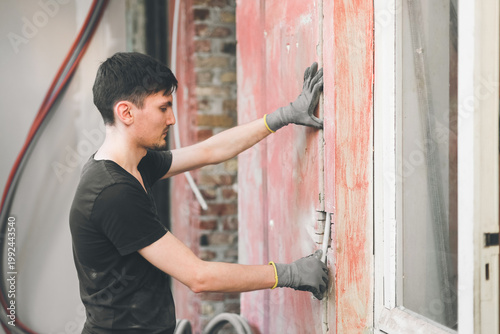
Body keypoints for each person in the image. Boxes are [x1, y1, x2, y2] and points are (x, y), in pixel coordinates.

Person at [69, 52, 327, 334]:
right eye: (163, 108)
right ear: (126, 112)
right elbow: (198, 276)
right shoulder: (113, 192)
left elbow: (209, 151)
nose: (172, 119)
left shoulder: (134, 163)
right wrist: (290, 274)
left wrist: (284, 115)